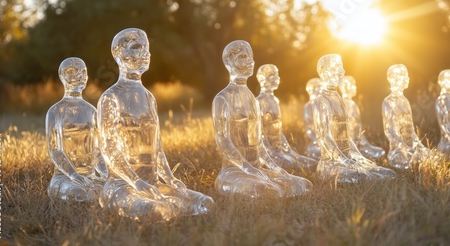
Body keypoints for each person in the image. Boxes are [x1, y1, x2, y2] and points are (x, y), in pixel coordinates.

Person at [98, 28, 213, 222]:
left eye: (147, 48)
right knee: (157, 210)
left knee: (204, 203)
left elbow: (157, 149)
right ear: (118, 54)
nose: (146, 54)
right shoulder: (111, 97)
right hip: (122, 186)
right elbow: (109, 149)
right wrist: (137, 183)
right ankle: (157, 205)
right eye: (136, 47)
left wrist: (170, 179)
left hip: (153, 183)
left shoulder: (148, 97)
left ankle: (165, 202)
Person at [212, 40, 312, 198]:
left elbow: (259, 143)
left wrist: (275, 168)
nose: (250, 62)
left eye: (251, 57)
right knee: (268, 190)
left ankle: (268, 181)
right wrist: (248, 169)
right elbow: (223, 142)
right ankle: (263, 184)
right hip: (234, 173)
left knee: (304, 184)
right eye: (243, 57)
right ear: (228, 62)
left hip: (256, 169)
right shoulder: (222, 98)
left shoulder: (253, 99)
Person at [313, 54, 396, 182]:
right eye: (337, 68)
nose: (342, 71)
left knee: (387, 173)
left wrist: (356, 155)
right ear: (324, 73)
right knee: (366, 176)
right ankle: (343, 172)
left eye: (341, 67)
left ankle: (361, 168)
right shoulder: (321, 100)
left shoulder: (338, 98)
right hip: (331, 163)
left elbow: (344, 135)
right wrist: (344, 160)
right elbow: (324, 138)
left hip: (347, 157)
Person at [46, 57, 108, 202]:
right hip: (64, 177)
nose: (79, 76)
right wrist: (74, 176)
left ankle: (94, 191)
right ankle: (84, 192)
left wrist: (105, 174)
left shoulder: (92, 111)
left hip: (90, 176)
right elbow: (55, 151)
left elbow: (98, 151)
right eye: (72, 72)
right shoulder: (55, 112)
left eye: (83, 72)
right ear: (62, 76)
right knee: (77, 192)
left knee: (110, 188)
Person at [256, 64, 317, 172]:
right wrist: (271, 153)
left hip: (280, 150)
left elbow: (278, 132)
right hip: (269, 153)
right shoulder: (259, 102)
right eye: (272, 75)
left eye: (277, 75)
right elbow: (259, 135)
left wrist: (289, 151)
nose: (277, 78)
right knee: (292, 165)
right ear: (261, 78)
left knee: (312, 164)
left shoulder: (275, 100)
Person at [382, 64, 429, 169]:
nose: (407, 78)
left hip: (411, 148)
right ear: (392, 79)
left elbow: (411, 130)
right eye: (403, 75)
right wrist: (406, 150)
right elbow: (389, 132)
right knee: (416, 160)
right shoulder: (388, 101)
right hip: (398, 152)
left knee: (428, 154)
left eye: (407, 75)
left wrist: (419, 146)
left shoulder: (405, 101)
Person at [339, 76, 385, 159]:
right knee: (379, 152)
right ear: (344, 87)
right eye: (353, 85)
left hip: (356, 141)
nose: (355, 87)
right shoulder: (347, 104)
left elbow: (357, 128)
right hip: (351, 142)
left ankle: (360, 147)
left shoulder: (350, 103)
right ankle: (357, 150)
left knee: (380, 151)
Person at [303, 78, 322, 160]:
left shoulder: (322, 105)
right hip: (315, 142)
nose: (321, 90)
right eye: (319, 87)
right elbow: (309, 127)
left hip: (323, 141)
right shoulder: (308, 106)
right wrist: (318, 140)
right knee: (316, 151)